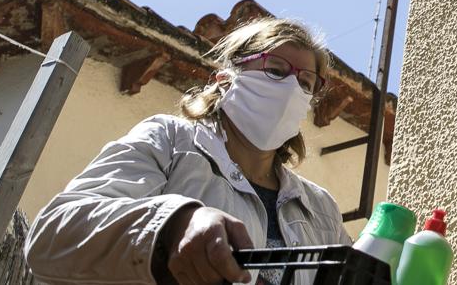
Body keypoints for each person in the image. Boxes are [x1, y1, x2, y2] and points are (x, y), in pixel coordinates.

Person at [27, 17, 351, 285]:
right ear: (226, 80)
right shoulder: (170, 142)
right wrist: (170, 225)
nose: (291, 90)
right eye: (276, 70)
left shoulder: (321, 208)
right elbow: (51, 237)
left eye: (306, 83)